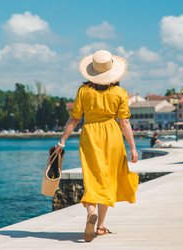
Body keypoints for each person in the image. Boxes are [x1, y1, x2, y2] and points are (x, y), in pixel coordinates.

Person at [55, 50, 139, 242]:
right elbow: (124, 123)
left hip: (90, 135)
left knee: (92, 176)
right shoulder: (119, 93)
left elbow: (74, 118)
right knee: (108, 179)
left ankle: (90, 211)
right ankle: (100, 226)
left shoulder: (83, 91)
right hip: (112, 136)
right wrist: (133, 148)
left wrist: (62, 141)